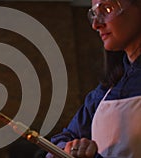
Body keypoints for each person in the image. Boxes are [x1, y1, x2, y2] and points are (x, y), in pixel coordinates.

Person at [46, 0, 141, 157]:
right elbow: (62, 139)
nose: (96, 24)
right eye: (94, 14)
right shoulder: (107, 90)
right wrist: (70, 149)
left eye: (107, 9)